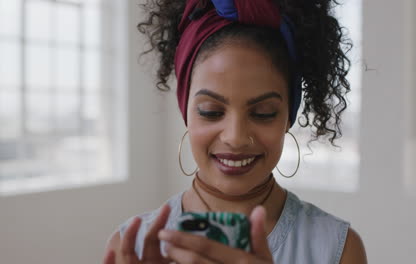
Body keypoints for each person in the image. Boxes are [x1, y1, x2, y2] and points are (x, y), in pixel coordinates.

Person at [103, 0, 367, 263]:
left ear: (288, 117)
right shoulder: (131, 247)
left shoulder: (338, 249)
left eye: (263, 113)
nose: (236, 137)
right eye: (210, 111)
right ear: (186, 111)